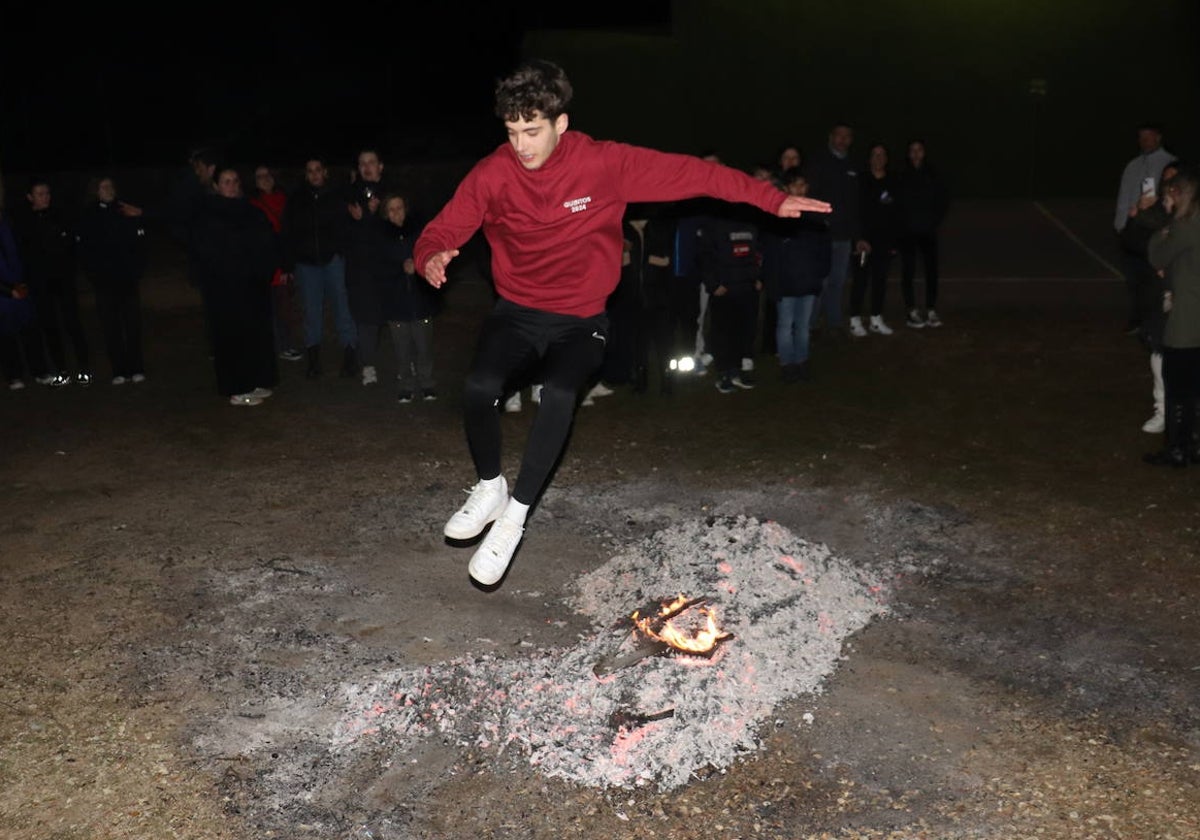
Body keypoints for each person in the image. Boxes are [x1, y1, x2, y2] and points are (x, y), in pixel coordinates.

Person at [413, 59, 830, 586]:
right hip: (518, 310)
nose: (521, 145)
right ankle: (490, 485)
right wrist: (432, 253)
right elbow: (443, 227)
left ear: (560, 124)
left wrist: (771, 197)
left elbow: (695, 174)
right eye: (513, 132)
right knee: (478, 388)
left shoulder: (603, 164)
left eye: (532, 132)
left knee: (561, 393)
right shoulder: (493, 173)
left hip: (580, 316)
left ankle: (514, 517)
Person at [190, 167, 280, 407]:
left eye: (235, 180)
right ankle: (237, 388)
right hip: (225, 290)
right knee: (232, 338)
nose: (231, 185)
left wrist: (264, 269)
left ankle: (257, 379)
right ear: (217, 186)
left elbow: (267, 241)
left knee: (256, 335)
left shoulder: (251, 211)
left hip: (253, 285)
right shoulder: (208, 215)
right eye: (226, 181)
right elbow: (205, 253)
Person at [1143, 166, 1200, 467]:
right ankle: (1191, 444)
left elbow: (1158, 256)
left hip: (1188, 316)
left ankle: (1177, 448)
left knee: (1177, 384)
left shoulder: (1185, 226)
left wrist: (1161, 233)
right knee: (1193, 386)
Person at [281, 156, 357, 379]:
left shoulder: (337, 195)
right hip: (306, 264)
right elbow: (287, 232)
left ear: (325, 172)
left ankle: (350, 356)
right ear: (306, 174)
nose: (314, 174)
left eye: (318, 170)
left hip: (333, 261)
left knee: (343, 308)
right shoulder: (296, 199)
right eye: (310, 171)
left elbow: (348, 225)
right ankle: (313, 360)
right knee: (311, 313)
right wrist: (287, 263)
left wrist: (341, 252)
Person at [1122, 159, 1182, 433]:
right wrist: (1137, 216)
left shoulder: (1192, 218)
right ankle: (1164, 410)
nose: (1170, 189)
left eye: (1176, 182)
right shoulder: (1156, 212)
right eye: (1166, 182)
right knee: (1159, 351)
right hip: (1159, 295)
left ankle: (1184, 411)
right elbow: (1132, 243)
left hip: (1187, 294)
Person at [16, 178, 91, 386]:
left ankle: (84, 368)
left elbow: (71, 246)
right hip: (40, 283)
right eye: (40, 194)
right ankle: (61, 369)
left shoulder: (60, 215)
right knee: (50, 326)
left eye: (47, 193)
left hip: (63, 279)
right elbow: (23, 253)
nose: (45, 197)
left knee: (72, 322)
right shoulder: (23, 222)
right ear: (30, 197)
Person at [74, 176, 148, 385]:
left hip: (127, 278)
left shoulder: (125, 210)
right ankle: (119, 369)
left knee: (132, 324)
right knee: (111, 326)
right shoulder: (89, 215)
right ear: (95, 190)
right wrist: (93, 275)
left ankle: (137, 367)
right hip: (104, 281)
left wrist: (138, 268)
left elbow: (140, 241)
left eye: (110, 186)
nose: (108, 190)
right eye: (103, 186)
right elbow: (84, 251)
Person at [761, 170, 831, 383]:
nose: (799, 189)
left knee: (802, 325)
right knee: (785, 324)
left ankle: (801, 361)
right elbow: (771, 253)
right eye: (794, 185)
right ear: (786, 188)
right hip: (786, 283)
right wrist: (772, 281)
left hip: (808, 282)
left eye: (803, 184)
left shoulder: (815, 216)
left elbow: (823, 249)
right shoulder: (778, 217)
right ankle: (787, 364)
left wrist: (820, 274)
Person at [375, 194, 441, 403]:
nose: (396, 213)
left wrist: (418, 265)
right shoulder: (381, 237)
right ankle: (406, 384)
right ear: (385, 213)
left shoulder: (419, 232)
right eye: (391, 209)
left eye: (399, 208)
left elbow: (431, 255)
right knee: (402, 347)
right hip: (395, 300)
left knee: (424, 345)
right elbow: (377, 267)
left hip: (420, 298)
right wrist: (399, 268)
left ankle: (427, 382)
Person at [803, 123, 866, 338]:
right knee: (819, 280)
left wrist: (857, 235)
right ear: (831, 137)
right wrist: (819, 223)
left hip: (844, 236)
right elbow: (810, 196)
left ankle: (834, 323)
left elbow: (855, 203)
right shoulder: (818, 161)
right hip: (822, 233)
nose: (842, 140)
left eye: (847, 136)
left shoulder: (853, 165)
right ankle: (810, 325)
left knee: (838, 282)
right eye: (839, 136)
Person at [1115, 123, 1175, 335]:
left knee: (1154, 280)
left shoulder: (1169, 163)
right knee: (1134, 278)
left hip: (1153, 229)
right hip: (1132, 230)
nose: (1144, 141)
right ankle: (1137, 319)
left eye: (1148, 137)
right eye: (1141, 137)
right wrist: (1121, 224)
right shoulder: (1133, 165)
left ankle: (1154, 322)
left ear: (1158, 138)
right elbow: (1124, 196)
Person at [698, 199, 763, 393]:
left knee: (744, 331)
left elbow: (757, 253)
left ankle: (740, 370)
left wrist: (758, 277)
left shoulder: (751, 225)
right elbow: (705, 256)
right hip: (725, 289)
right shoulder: (715, 224)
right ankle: (724, 372)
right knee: (722, 332)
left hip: (747, 288)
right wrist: (714, 284)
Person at [346, 148, 395, 386]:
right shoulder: (350, 195)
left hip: (388, 266)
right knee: (366, 318)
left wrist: (378, 215)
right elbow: (346, 233)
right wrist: (361, 219)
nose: (367, 167)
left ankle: (406, 365)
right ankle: (368, 366)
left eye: (371, 162)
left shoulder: (392, 193)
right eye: (362, 163)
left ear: (380, 166)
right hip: (362, 269)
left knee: (397, 316)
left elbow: (398, 228)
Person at [249, 165, 302, 363]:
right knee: (266, 309)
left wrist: (287, 265)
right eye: (259, 176)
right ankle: (271, 346)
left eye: (267, 175)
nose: (264, 179)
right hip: (263, 264)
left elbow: (289, 235)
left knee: (284, 308)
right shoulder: (252, 203)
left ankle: (285, 345)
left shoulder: (285, 199)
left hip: (282, 264)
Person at [848, 143, 901, 337]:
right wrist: (858, 238)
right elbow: (853, 211)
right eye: (875, 155)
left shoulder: (893, 181)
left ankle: (876, 318)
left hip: (884, 241)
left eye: (882, 155)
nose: (878, 159)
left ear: (886, 159)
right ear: (869, 158)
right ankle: (854, 319)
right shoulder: (860, 181)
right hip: (863, 240)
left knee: (880, 280)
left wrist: (894, 242)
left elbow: (896, 212)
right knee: (860, 280)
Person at [897, 139, 949, 328]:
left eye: (919, 150)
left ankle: (931, 309)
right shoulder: (902, 175)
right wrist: (902, 225)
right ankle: (911, 310)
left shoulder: (933, 174)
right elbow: (897, 204)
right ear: (908, 154)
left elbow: (943, 199)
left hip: (928, 231)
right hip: (908, 232)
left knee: (931, 271)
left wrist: (933, 221)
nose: (916, 153)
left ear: (924, 152)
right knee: (908, 271)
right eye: (912, 150)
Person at [0, 207, 49, 390]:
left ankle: (39, 370)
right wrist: (6, 290)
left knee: (30, 329)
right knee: (6, 334)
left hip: (21, 284)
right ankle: (14, 374)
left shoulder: (9, 221)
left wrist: (25, 281)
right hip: (3, 293)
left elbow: (24, 251)